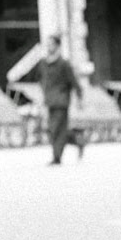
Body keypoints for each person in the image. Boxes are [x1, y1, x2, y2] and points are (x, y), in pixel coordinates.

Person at [40, 33, 84, 165]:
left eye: (51, 44)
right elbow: (41, 81)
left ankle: (56, 157)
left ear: (58, 46)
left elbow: (73, 81)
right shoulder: (43, 63)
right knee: (55, 129)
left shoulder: (64, 64)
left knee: (55, 129)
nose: (49, 47)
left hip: (61, 100)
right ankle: (77, 140)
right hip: (49, 101)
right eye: (47, 44)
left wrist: (79, 97)